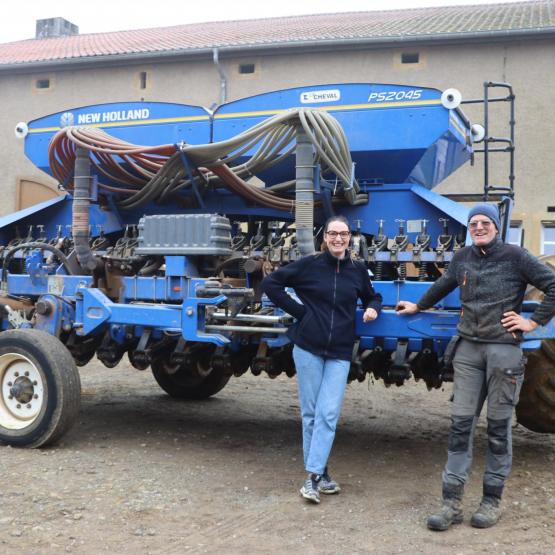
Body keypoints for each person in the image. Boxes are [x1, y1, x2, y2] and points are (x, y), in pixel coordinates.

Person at [396, 203, 555, 530]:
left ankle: (491, 502)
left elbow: (553, 285)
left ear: (496, 226)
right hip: (468, 351)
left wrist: (532, 322)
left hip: (503, 352)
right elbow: (444, 285)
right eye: (474, 223)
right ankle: (451, 503)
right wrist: (418, 305)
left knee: (498, 430)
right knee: (460, 426)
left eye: (484, 222)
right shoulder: (463, 257)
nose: (479, 227)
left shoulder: (516, 256)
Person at [262, 215, 382, 504]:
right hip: (307, 347)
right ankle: (319, 474)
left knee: (328, 414)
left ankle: (314, 476)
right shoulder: (309, 265)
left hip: (340, 351)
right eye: (332, 234)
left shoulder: (357, 269)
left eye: (343, 234)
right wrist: (301, 313)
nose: (338, 239)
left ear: (350, 237)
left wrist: (372, 309)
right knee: (311, 413)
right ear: (324, 238)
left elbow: (372, 296)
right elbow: (271, 284)